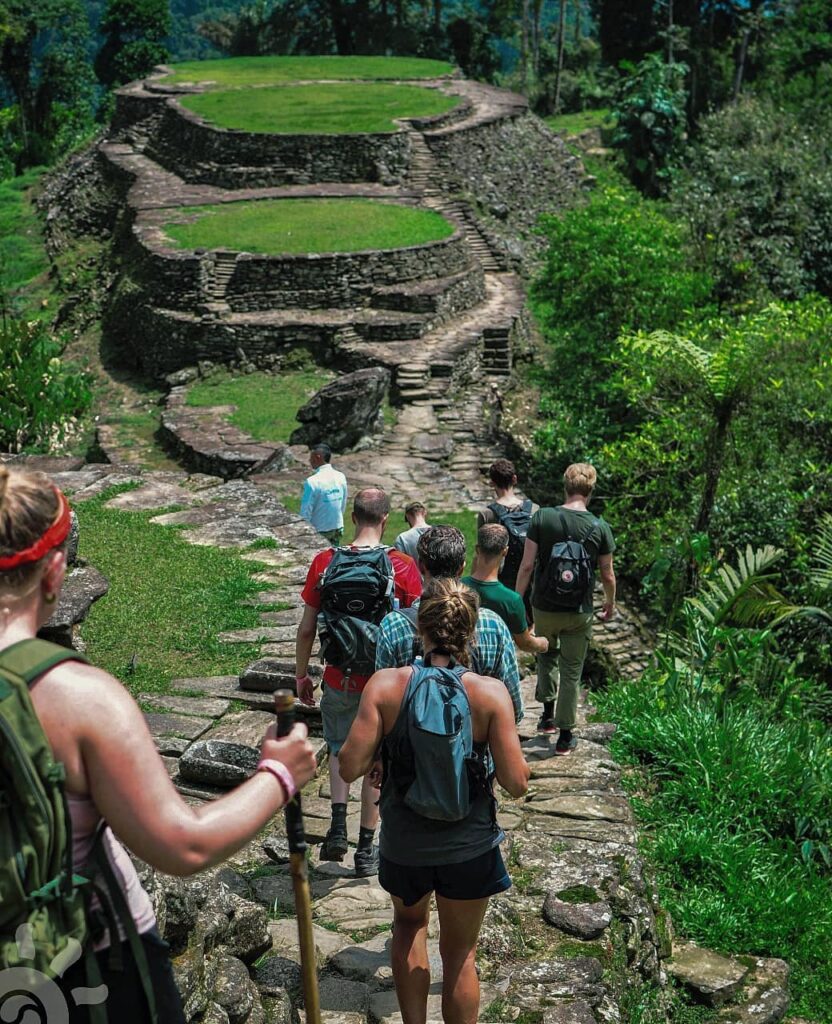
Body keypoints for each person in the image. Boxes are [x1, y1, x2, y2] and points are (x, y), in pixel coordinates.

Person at [0, 465, 318, 1022]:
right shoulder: (79, 700)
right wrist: (279, 776)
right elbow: (183, 846)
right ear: (54, 572)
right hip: (84, 970)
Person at [340, 577, 530, 1024]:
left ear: (419, 629)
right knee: (461, 953)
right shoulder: (489, 693)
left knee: (408, 928)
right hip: (469, 842)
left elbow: (348, 768)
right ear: (470, 633)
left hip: (405, 840)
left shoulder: (385, 687)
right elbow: (517, 783)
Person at [295, 487, 421, 877]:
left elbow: (306, 629)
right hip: (382, 684)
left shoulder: (324, 561)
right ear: (385, 520)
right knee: (376, 759)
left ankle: (336, 823)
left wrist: (302, 675)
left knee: (337, 746)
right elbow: (414, 627)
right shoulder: (400, 567)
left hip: (338, 677)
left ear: (353, 517)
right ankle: (366, 849)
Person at [375, 525, 524, 725]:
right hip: (474, 749)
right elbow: (513, 709)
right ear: (462, 567)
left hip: (411, 750)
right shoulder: (493, 625)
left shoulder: (393, 625)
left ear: (421, 566)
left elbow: (381, 704)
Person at [515, 463, 616, 753]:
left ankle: (546, 717)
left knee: (546, 657)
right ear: (591, 491)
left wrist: (517, 600)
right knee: (572, 671)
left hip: (544, 606)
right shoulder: (600, 527)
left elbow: (527, 565)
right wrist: (609, 603)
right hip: (579, 611)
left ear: (565, 486)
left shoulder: (543, 518)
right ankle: (565, 735)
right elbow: (607, 574)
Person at [462, 524, 548, 657]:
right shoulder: (512, 600)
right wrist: (542, 644)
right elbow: (525, 643)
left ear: (477, 549)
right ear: (505, 551)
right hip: (494, 668)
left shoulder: (457, 587)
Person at [477, 459, 537, 615]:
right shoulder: (535, 510)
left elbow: (482, 555)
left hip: (501, 581)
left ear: (492, 483)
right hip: (531, 580)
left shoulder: (487, 514)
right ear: (515, 479)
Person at [299, 443, 348, 545]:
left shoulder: (312, 481)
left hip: (320, 529)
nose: (309, 460)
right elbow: (343, 503)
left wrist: (303, 531)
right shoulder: (340, 476)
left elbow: (306, 510)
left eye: (311, 457)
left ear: (318, 457)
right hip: (337, 527)